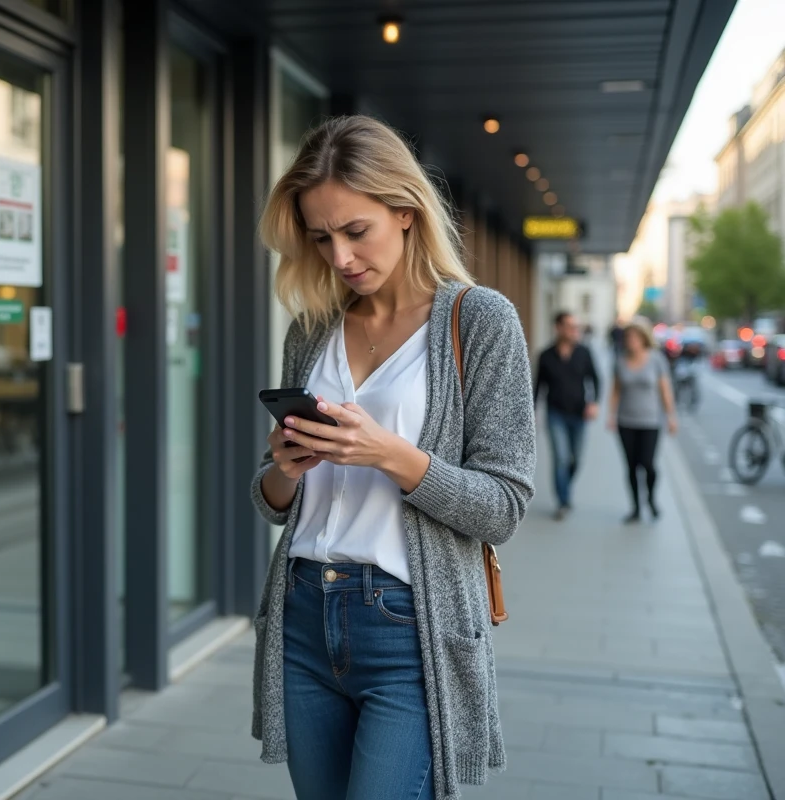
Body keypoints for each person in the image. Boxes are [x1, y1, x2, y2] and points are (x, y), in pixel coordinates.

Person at [249, 115, 536, 800]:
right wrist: (283, 471)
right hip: (303, 618)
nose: (340, 257)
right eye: (321, 238)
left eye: (356, 231)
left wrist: (391, 456)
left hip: (410, 629)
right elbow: (270, 504)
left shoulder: (479, 321)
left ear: (405, 212)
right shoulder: (313, 329)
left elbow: (503, 506)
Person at [607, 317, 677, 522]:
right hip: (626, 421)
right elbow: (616, 391)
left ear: (644, 338)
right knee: (631, 466)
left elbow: (665, 390)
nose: (631, 340)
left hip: (650, 421)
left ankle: (651, 499)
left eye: (635, 336)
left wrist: (671, 416)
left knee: (648, 464)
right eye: (628, 336)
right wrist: (611, 415)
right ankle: (636, 507)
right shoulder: (620, 360)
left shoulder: (656, 359)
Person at [534, 311, 600, 520]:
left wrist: (594, 403)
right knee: (561, 458)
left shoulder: (584, 352)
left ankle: (565, 487)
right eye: (570, 326)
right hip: (556, 414)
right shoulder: (545, 356)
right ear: (559, 328)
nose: (574, 331)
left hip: (579, 414)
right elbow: (537, 387)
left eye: (576, 327)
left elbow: (596, 379)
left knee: (576, 459)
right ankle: (563, 501)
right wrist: (532, 413)